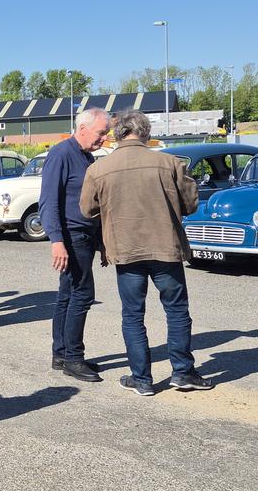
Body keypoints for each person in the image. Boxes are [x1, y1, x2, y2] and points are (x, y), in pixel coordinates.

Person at [80, 110, 213, 395]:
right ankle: (183, 372)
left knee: (132, 315)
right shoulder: (170, 163)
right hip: (165, 247)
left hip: (125, 250)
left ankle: (141, 379)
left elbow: (87, 209)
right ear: (145, 133)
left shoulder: (99, 169)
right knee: (176, 310)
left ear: (118, 134)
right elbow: (190, 204)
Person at [37, 107, 110, 382]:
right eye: (101, 132)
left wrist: (101, 241)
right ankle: (73, 359)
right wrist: (56, 240)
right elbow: (48, 201)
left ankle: (62, 354)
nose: (104, 138)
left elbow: (93, 203)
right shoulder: (61, 154)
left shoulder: (86, 156)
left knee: (67, 295)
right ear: (83, 128)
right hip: (71, 236)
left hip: (85, 236)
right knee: (82, 294)